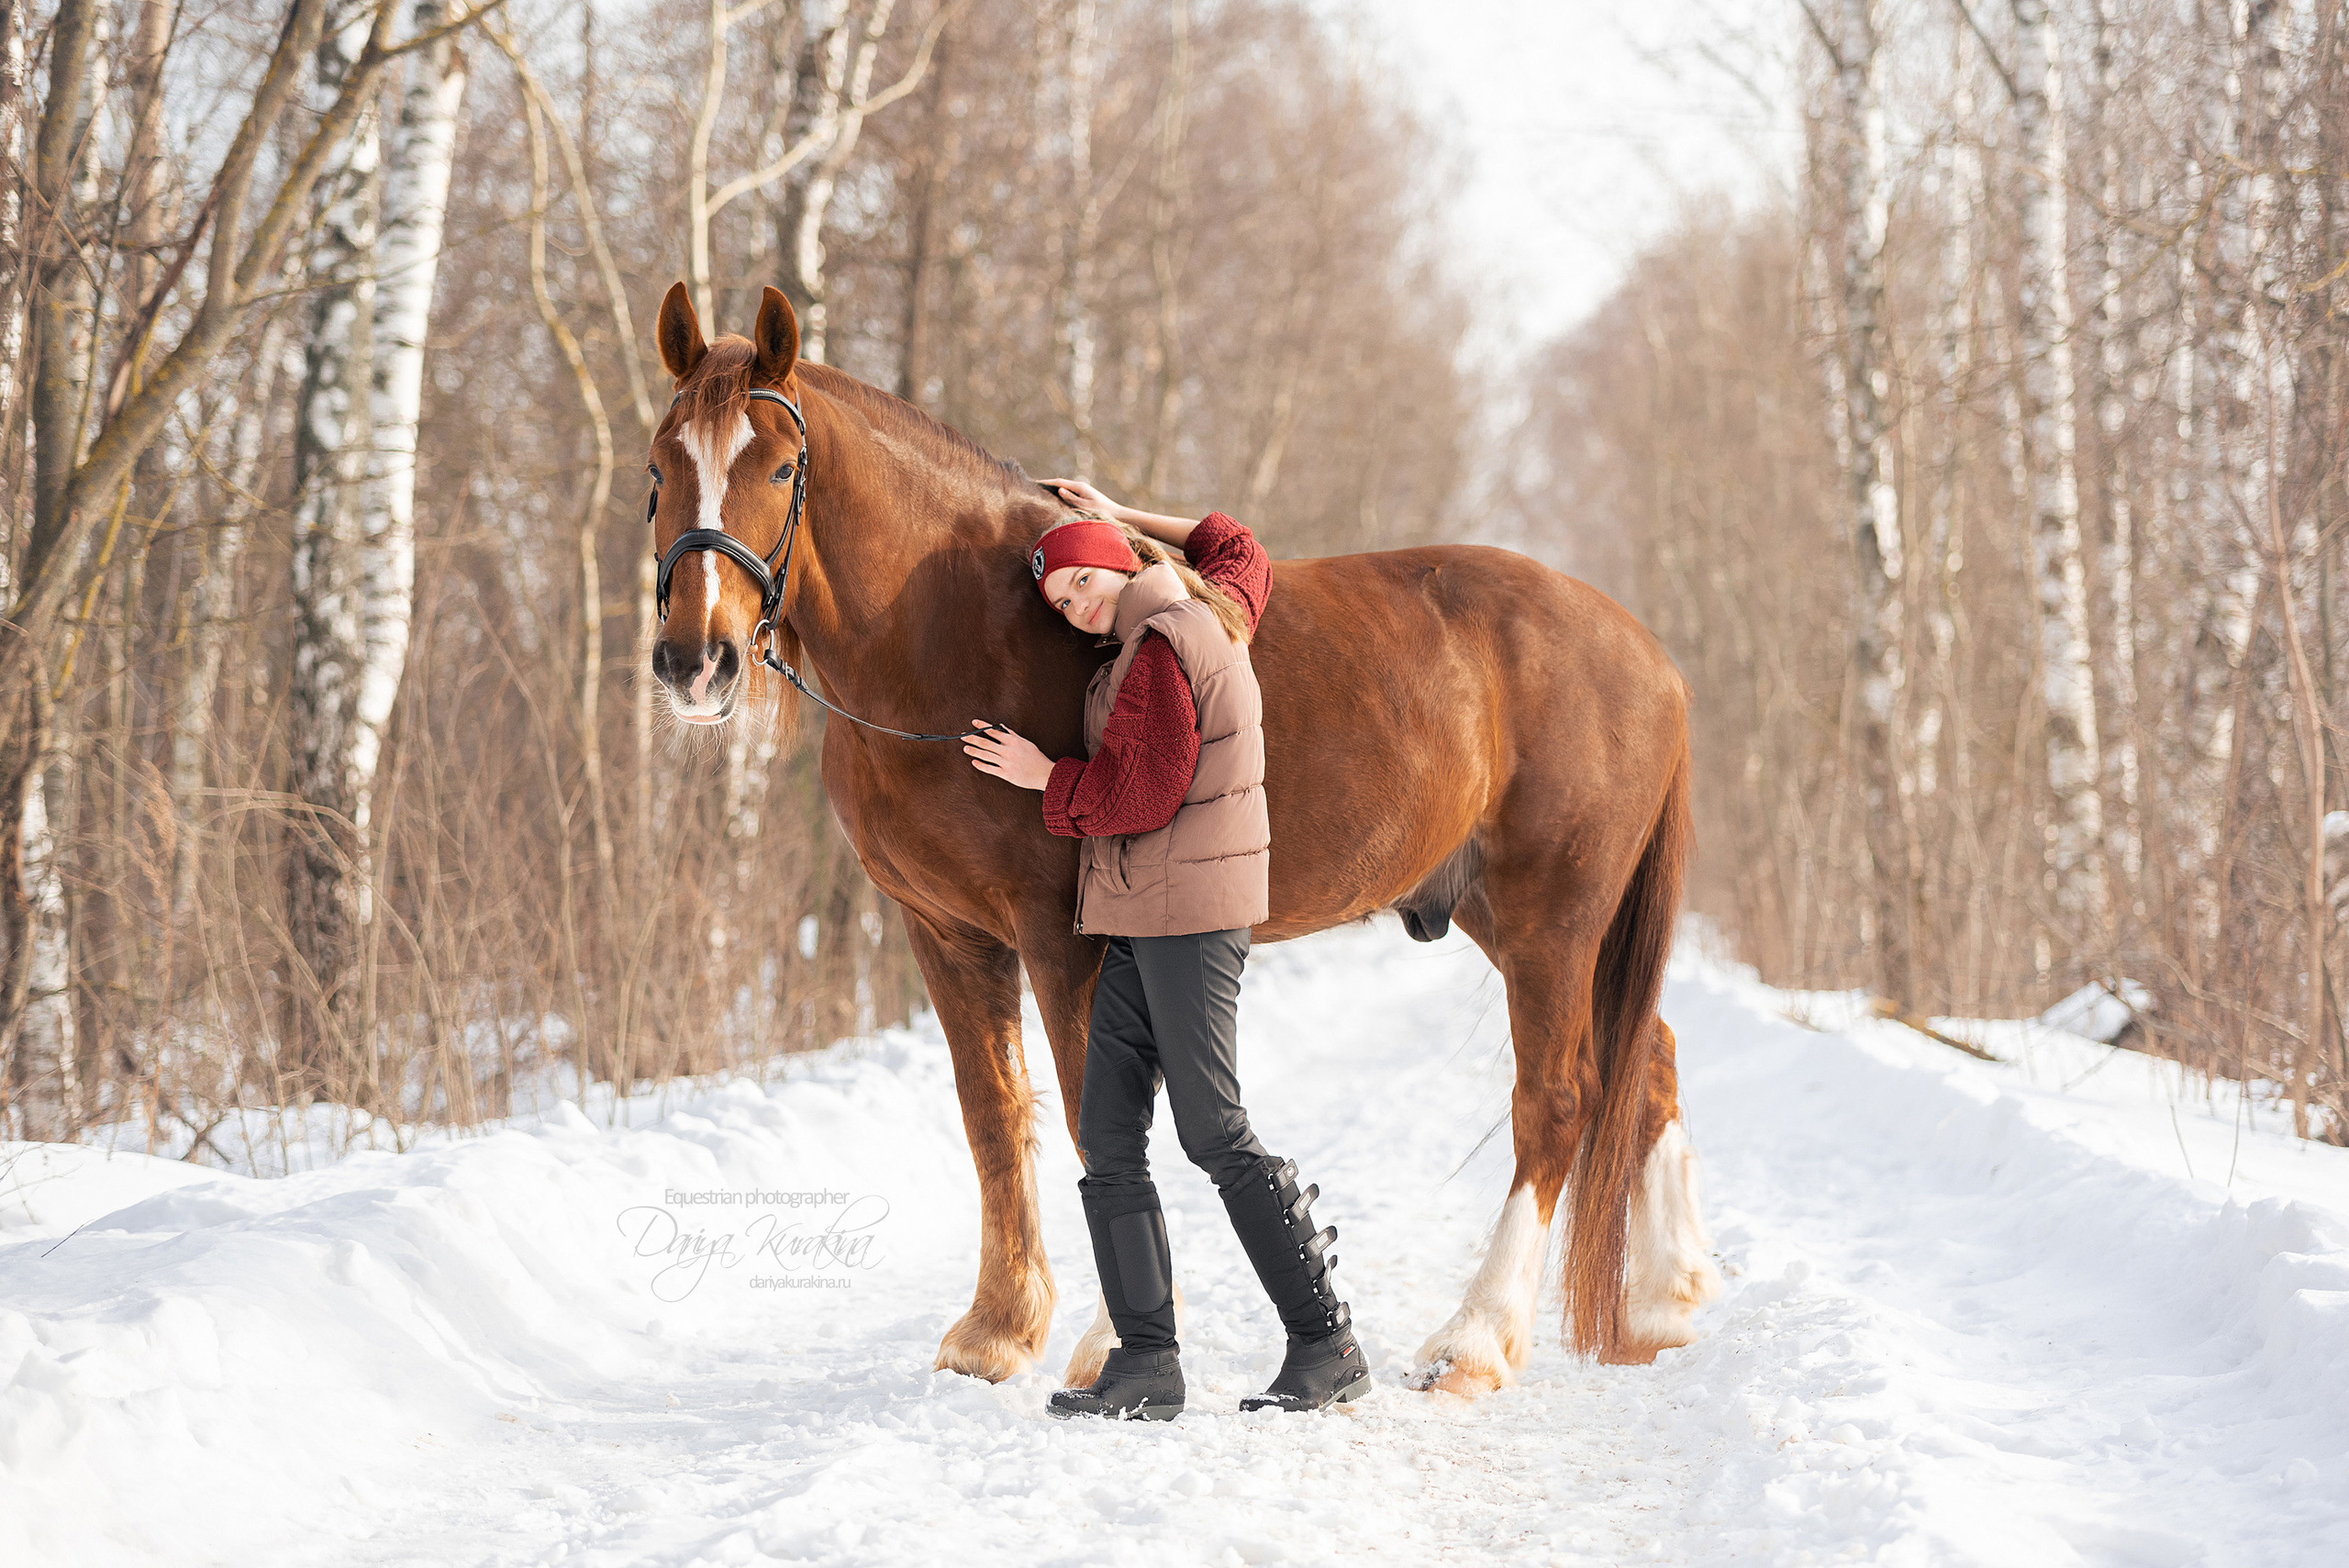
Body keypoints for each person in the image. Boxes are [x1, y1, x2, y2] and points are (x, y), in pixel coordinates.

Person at [962, 478, 1371, 1421]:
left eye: (1078, 580)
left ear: (1112, 563)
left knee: (1211, 1129)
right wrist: (1124, 512)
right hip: (1144, 915)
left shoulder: (1159, 648)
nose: (1073, 606)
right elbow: (1241, 546)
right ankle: (1148, 1360)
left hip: (1190, 915)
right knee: (1107, 1135)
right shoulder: (1210, 606)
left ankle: (1324, 1338)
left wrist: (1041, 775)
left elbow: (1137, 795)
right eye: (1060, 603)